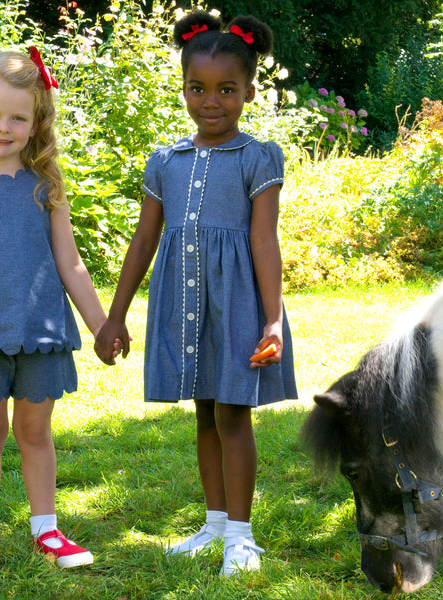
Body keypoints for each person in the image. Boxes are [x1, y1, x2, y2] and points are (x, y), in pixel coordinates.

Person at [95, 11, 298, 577]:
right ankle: (213, 525)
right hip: (184, 303)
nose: (212, 101)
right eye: (198, 89)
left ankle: (241, 536)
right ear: (183, 89)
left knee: (234, 413)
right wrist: (115, 316)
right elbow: (142, 241)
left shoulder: (258, 157)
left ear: (249, 91)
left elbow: (263, 241)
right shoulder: (166, 160)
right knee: (206, 413)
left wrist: (272, 320)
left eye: (226, 89)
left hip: (236, 304)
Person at [0, 48, 117, 581]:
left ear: (36, 124)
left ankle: (46, 528)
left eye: (18, 117)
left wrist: (101, 324)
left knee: (35, 431)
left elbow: (70, 261)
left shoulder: (46, 186)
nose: (3, 127)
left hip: (40, 333)